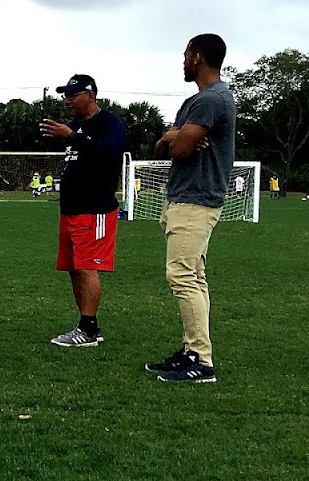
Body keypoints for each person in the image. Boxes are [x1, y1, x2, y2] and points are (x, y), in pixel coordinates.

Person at [145, 34, 235, 384]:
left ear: (197, 56)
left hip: (197, 198)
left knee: (182, 276)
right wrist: (175, 136)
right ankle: (191, 350)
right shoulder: (196, 102)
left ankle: (202, 360)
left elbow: (180, 150)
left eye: (185, 54)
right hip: (182, 195)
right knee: (194, 276)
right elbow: (167, 145)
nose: (182, 60)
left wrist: (177, 138)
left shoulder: (212, 100)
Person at [40, 74, 126, 348]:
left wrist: (73, 136)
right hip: (71, 209)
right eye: (65, 95)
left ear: (91, 95)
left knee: (87, 267)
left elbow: (110, 152)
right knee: (74, 268)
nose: (67, 100)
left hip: (95, 208)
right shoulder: (75, 126)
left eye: (73, 95)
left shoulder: (108, 122)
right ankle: (88, 325)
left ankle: (87, 330)